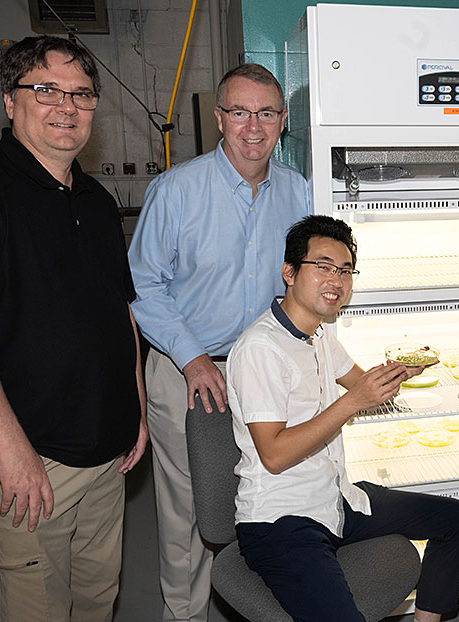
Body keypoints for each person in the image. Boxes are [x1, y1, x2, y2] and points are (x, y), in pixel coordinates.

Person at [0, 36, 148, 621]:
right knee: (39, 609)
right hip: (29, 459)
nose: (66, 106)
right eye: (46, 89)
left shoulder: (96, 201)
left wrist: (139, 412)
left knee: (97, 598)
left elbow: (119, 314)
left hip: (106, 453)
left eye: (81, 94)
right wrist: (11, 449)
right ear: (9, 101)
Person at [127, 63, 309, 621]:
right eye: (239, 112)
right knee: (189, 509)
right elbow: (142, 286)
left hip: (268, 371)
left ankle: (260, 602)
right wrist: (193, 358)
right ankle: (184, 614)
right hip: (188, 371)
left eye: (267, 113)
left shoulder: (299, 192)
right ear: (218, 118)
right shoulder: (176, 191)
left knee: (268, 495)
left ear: (282, 121)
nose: (253, 126)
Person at [227, 215, 459, 622]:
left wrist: (402, 372)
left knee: (455, 518)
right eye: (322, 266)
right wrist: (351, 402)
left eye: (345, 271)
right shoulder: (261, 349)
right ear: (289, 272)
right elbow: (273, 454)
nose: (336, 281)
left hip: (335, 497)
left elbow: (364, 387)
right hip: (281, 521)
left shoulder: (320, 335)